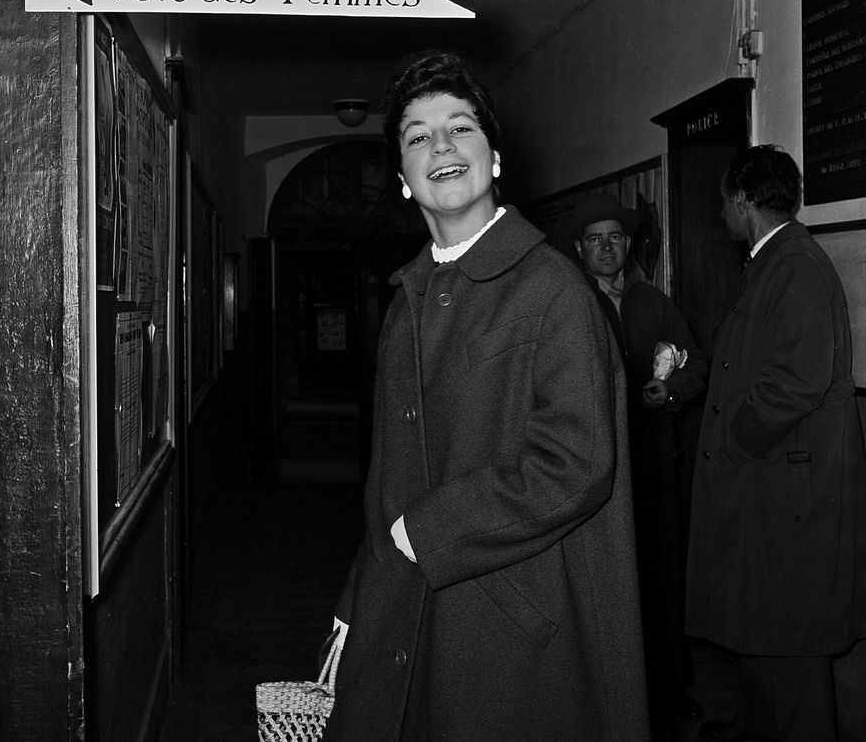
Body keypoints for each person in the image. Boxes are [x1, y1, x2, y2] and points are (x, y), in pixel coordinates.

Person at [322, 50, 648, 741]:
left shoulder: (552, 290)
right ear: (405, 180)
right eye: (417, 136)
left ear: (494, 158)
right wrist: (359, 594)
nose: (440, 144)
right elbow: (389, 483)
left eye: (460, 127)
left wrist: (425, 532)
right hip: (407, 601)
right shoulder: (407, 299)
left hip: (513, 630)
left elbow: (577, 464)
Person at [685, 145, 866, 742]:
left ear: (742, 201)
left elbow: (796, 379)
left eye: (723, 203)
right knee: (763, 655)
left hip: (787, 507)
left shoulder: (796, 266)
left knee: (790, 667)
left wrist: (735, 444)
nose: (720, 216)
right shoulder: (772, 262)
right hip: (770, 501)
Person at [566, 193, 708, 733]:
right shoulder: (569, 303)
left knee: (660, 580)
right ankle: (603, 696)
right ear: (580, 248)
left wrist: (668, 394)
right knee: (602, 586)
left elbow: (693, 364)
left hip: (651, 465)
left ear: (629, 245)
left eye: (616, 237)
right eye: (596, 239)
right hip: (592, 474)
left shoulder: (654, 302)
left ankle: (668, 692)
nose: (607, 247)